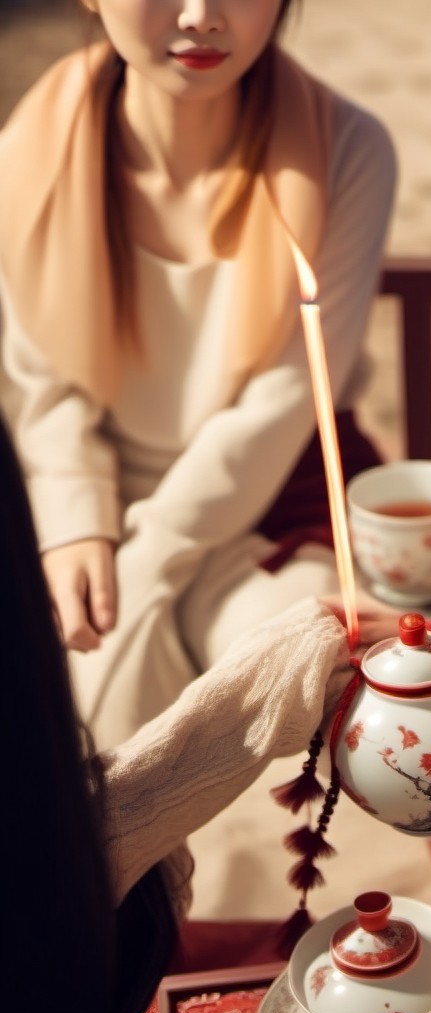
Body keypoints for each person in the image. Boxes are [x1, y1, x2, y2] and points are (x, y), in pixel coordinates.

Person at [0, 0, 394, 748]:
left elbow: (284, 399)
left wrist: (152, 556)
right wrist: (76, 513)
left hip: (274, 491)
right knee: (82, 696)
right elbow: (45, 383)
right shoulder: (26, 154)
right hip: (100, 495)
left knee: (309, 673)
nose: (200, 15)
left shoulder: (347, 149)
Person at [1, 402, 356, 1013]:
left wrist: (154, 548)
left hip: (256, 500)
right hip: (98, 514)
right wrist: (80, 519)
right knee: (105, 672)